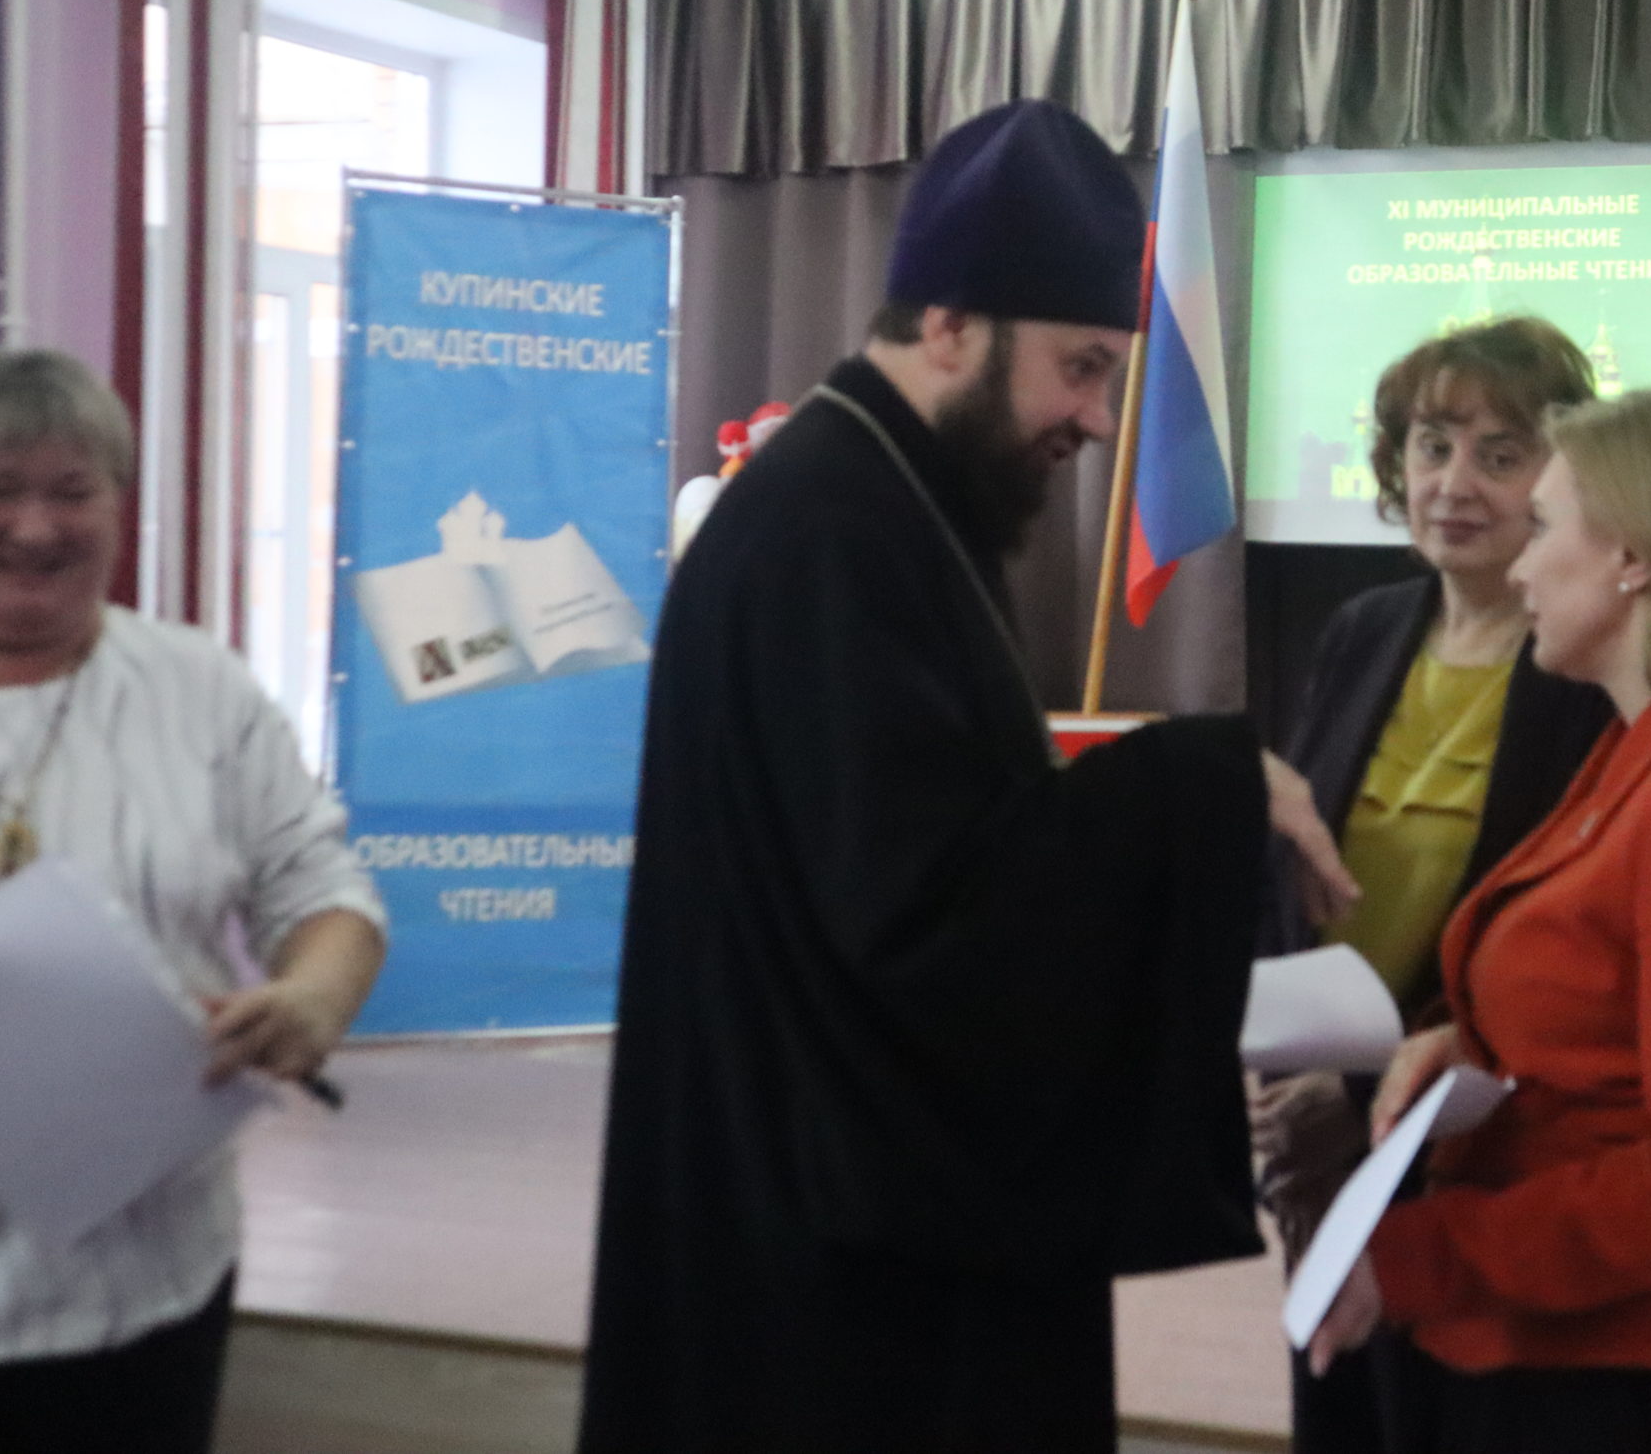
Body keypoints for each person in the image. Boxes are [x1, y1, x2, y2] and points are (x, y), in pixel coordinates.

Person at [578, 99, 1360, 1454]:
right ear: (949, 324)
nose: (1098, 417)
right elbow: (926, 921)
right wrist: (1209, 780)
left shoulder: (882, 500)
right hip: (824, 1286)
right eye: (1080, 368)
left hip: (811, 1211)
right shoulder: (833, 535)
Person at [1307, 384, 1651, 1454]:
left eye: (1545, 525)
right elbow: (1604, 1012)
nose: (1519, 569)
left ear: (1634, 557)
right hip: (1552, 1348)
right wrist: (1469, 1043)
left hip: (1630, 1381)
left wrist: (1416, 1257)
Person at [0, 349, 386, 1454]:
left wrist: (312, 998)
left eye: (74, 491)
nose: (35, 527)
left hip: (148, 1283)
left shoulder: (198, 687)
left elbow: (323, 887)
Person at [1254, 316, 1617, 1453]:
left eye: (1499, 456)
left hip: (1473, 1121)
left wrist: (1383, 1071)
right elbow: (1297, 861)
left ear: (1557, 482)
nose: (1453, 483)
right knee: (1335, 1400)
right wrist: (1283, 1059)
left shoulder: (1581, 667)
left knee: (1445, 1412)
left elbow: (1565, 933)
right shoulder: (1363, 631)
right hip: (1319, 1119)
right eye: (1430, 446)